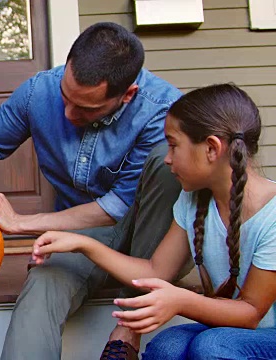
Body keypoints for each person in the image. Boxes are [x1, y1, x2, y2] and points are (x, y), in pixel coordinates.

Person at [0, 22, 182, 359]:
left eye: (86, 108)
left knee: (165, 162)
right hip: (80, 233)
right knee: (43, 286)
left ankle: (127, 330)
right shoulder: (42, 89)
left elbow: (117, 207)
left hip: (153, 235)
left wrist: (22, 223)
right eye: (66, 98)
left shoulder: (163, 110)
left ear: (127, 94)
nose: (68, 113)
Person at [32, 83, 276, 359]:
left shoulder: (272, 214)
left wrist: (180, 300)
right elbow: (155, 270)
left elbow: (252, 313)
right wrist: (83, 244)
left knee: (211, 347)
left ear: (211, 148)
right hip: (232, 330)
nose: (168, 160)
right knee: (166, 347)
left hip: (265, 332)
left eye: (173, 145)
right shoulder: (193, 201)